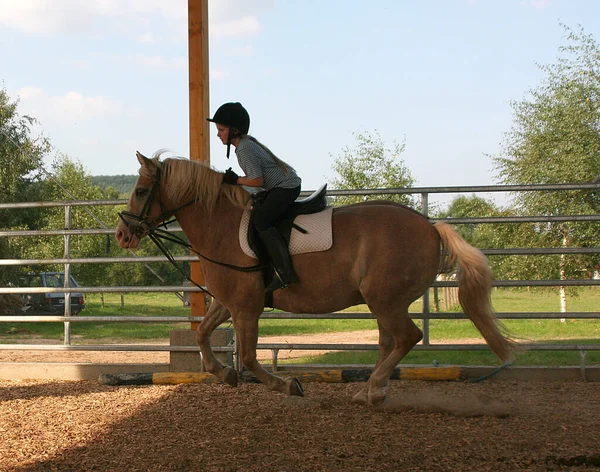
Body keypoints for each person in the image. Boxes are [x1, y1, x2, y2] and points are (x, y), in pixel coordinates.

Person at [207, 102, 302, 292]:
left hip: (285, 187)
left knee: (261, 221)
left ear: (234, 130)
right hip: (281, 186)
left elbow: (257, 181)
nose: (218, 134)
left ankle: (285, 272)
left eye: (221, 129)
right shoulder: (245, 145)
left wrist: (236, 180)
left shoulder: (244, 149)